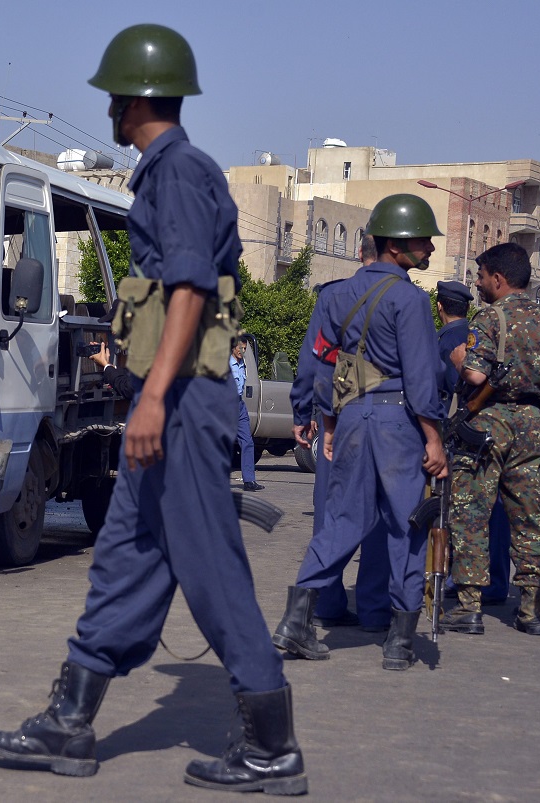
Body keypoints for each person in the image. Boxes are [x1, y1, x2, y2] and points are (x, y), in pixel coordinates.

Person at [0, 25, 306, 795]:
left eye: (112, 98)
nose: (108, 110)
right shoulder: (160, 172)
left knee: (212, 568)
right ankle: (70, 720)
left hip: (185, 400)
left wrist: (155, 396)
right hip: (164, 401)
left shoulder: (180, 172)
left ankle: (272, 744)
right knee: (124, 557)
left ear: (131, 99)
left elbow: (189, 288)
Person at [272, 193, 447, 671]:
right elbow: (421, 377)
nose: (429, 249)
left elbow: (328, 365)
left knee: (342, 521)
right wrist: (434, 438)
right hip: (398, 422)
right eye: (422, 241)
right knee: (407, 525)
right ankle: (399, 642)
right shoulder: (410, 299)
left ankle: (295, 621)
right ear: (396, 246)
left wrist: (327, 421)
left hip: (351, 417)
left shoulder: (336, 295)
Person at [440, 243, 540, 636]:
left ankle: (469, 606)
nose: (477, 284)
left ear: (498, 278)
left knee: (471, 511)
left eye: (480, 277)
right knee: (529, 517)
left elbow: (477, 377)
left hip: (489, 422)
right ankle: (531, 610)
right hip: (531, 421)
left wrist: (460, 360)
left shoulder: (491, 317)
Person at [293, 235, 389, 632]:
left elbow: (313, 360)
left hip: (339, 416)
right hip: (388, 420)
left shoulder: (333, 297)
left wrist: (304, 411)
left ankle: (327, 602)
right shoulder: (404, 298)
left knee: (332, 513)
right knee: (381, 518)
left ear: (359, 254)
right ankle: (375, 609)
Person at [436, 280, 512, 606]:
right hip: (491, 430)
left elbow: (464, 379)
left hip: (460, 431)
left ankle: (464, 581)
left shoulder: (446, 339)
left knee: (462, 513)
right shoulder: (481, 330)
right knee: (495, 510)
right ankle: (494, 582)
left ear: (440, 307)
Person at [231, 334, 263, 491]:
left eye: (244, 349)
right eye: (240, 348)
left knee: (247, 442)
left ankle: (249, 480)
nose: (242, 352)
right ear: (233, 347)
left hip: (239, 405)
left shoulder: (242, 364)